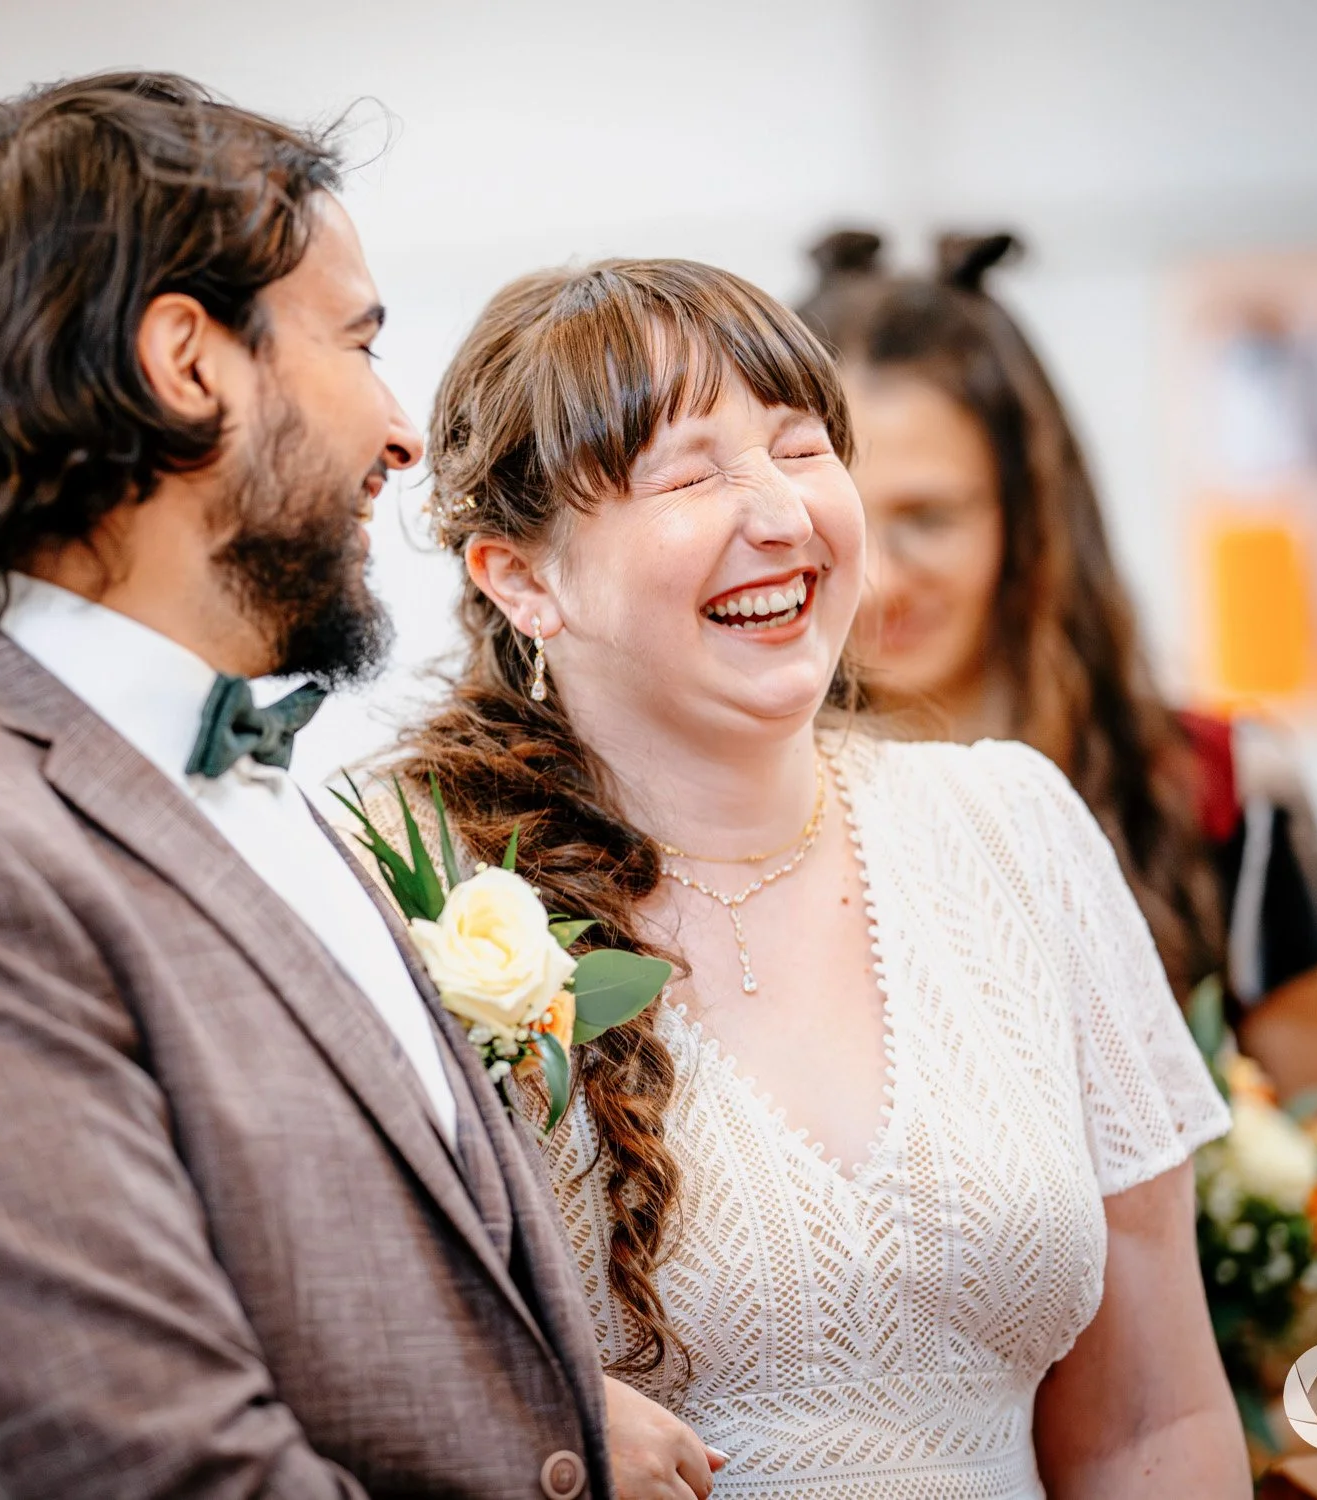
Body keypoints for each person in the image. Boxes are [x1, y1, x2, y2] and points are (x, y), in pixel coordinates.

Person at [0, 71, 696, 1500]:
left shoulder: (250, 774)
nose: (401, 435)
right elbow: (149, 1472)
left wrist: (559, 1426)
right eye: (359, 341)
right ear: (188, 361)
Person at [358, 258, 1249, 1496]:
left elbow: (1150, 1425)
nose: (778, 515)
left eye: (798, 449)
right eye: (688, 473)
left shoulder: (1011, 827)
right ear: (519, 577)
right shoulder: (396, 883)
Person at [795, 230, 1317, 1141]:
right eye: (841, 521)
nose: (880, 580)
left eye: (928, 518)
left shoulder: (1220, 789)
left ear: (1029, 513)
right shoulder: (732, 817)